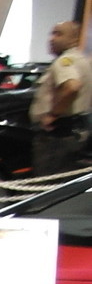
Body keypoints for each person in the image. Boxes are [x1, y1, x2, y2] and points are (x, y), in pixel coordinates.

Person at [30, 19, 87, 178]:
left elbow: (72, 87)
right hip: (76, 130)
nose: (51, 39)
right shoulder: (83, 61)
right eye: (52, 33)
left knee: (47, 184)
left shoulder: (64, 61)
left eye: (59, 34)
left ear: (74, 38)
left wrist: (52, 115)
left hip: (58, 135)